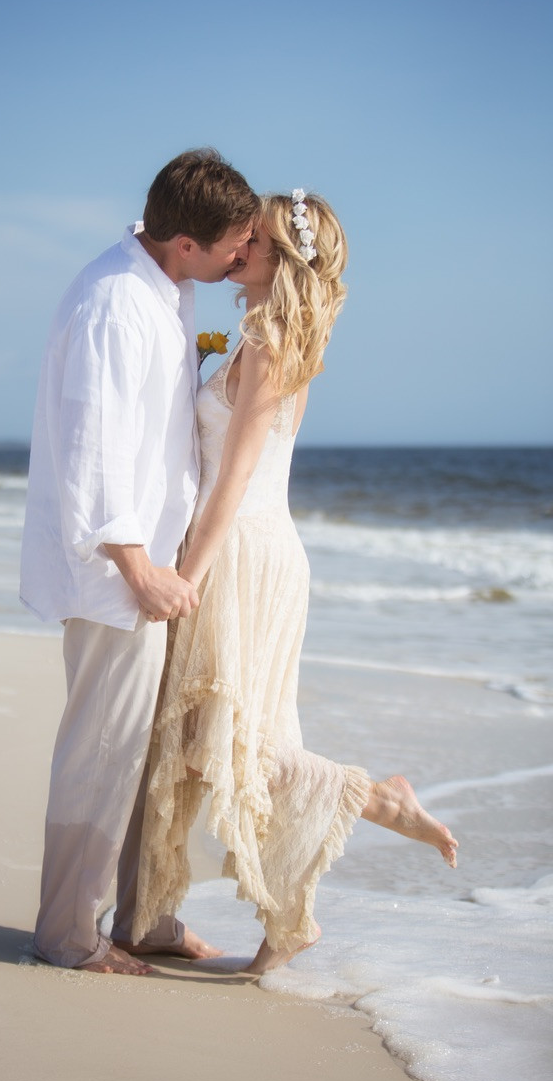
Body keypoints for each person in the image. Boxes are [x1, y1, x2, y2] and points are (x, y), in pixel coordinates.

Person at [131, 191, 458, 975]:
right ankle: (237, 920)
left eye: (255, 241)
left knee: (243, 745)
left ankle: (380, 803)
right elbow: (204, 387)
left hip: (243, 551)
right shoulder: (249, 334)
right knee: (210, 743)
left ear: (284, 262)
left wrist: (185, 576)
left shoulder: (275, 343)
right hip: (248, 547)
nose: (236, 247)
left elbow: (235, 480)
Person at [20, 149, 259, 974]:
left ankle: (137, 917)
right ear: (186, 242)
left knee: (139, 753)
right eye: (237, 242)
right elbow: (91, 448)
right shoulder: (116, 303)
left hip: (150, 563)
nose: (245, 253)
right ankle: (66, 937)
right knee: (101, 751)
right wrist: (137, 564)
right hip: (116, 573)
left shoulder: (169, 288)